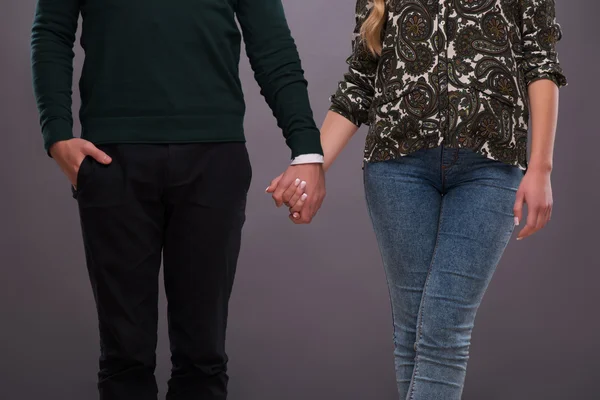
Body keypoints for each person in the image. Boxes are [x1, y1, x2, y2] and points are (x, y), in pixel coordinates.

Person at [269, 0, 566, 398]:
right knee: (412, 335)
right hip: (396, 168)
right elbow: (360, 83)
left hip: (490, 167)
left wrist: (541, 168)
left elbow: (540, 61)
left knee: (443, 331)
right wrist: (311, 165)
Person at [30, 0, 326, 399]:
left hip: (214, 158)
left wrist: (307, 150)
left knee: (202, 360)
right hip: (112, 159)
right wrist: (57, 135)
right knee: (124, 359)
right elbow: (51, 28)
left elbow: (271, 43)